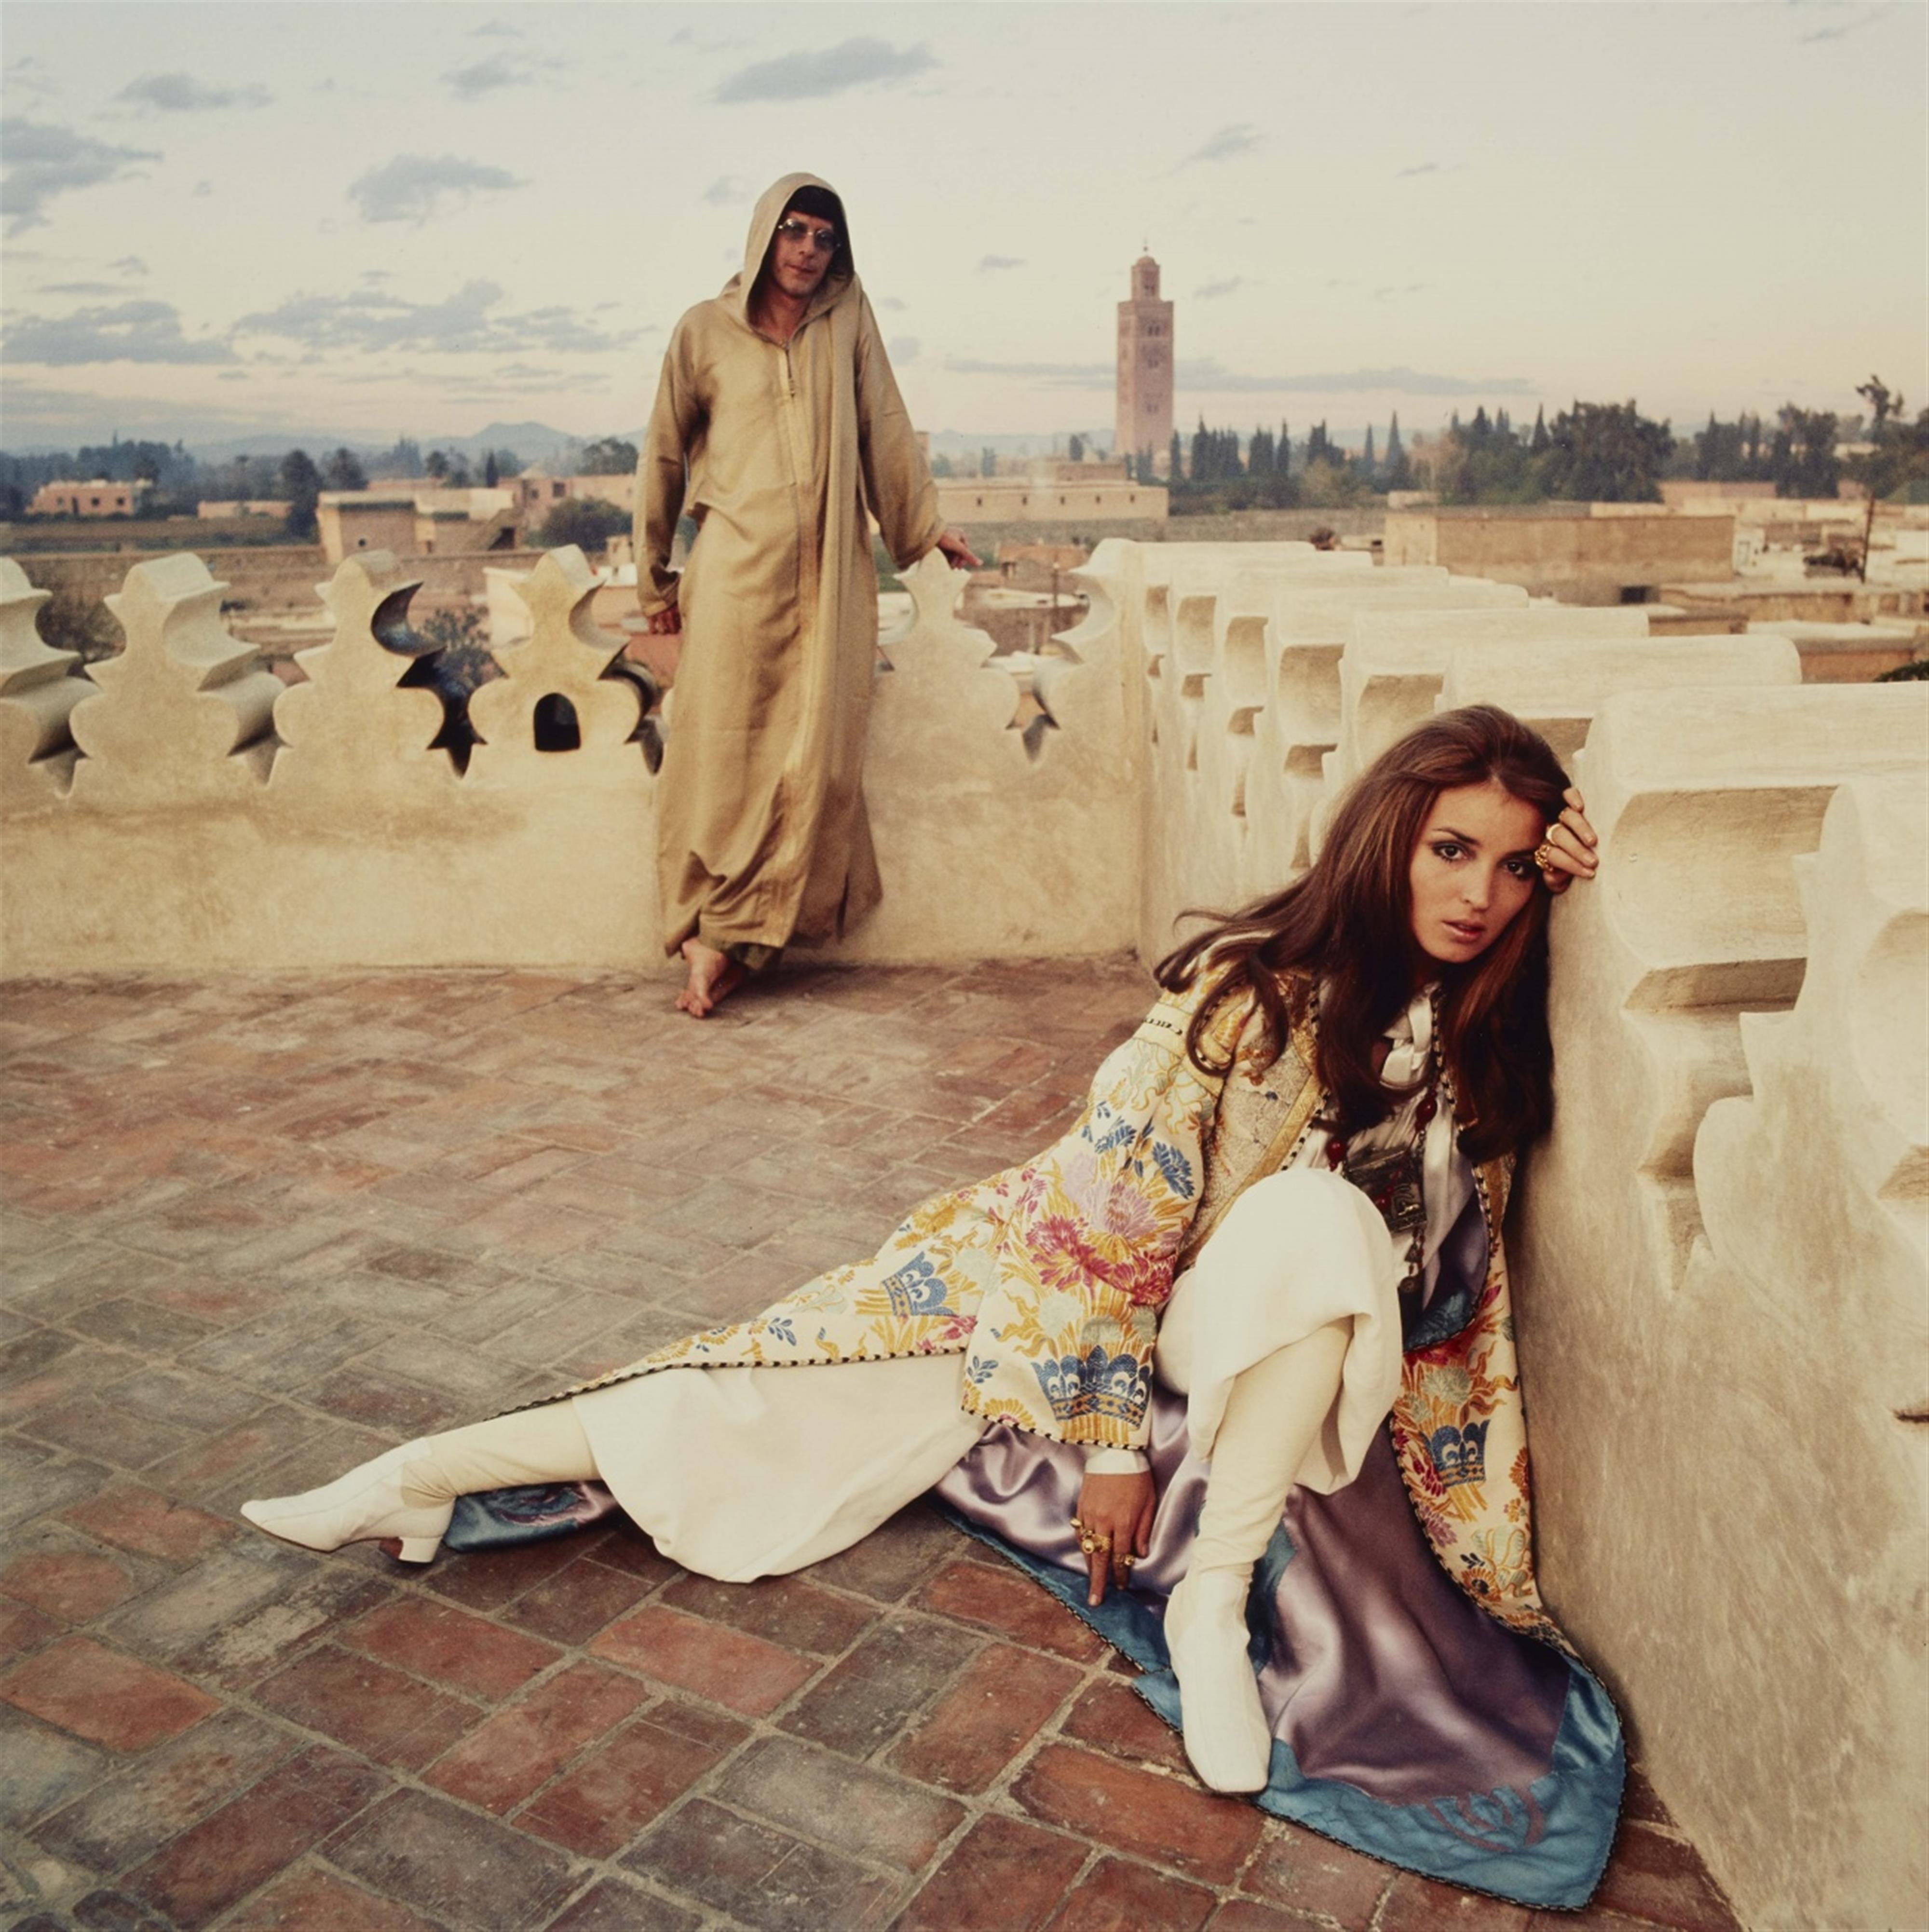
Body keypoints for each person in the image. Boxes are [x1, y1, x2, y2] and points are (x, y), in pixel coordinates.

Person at [242, 706, 1624, 1910]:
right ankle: (415, 1476)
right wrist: (1108, 1452)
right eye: (1453, 848)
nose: (1482, 892)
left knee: (1320, 1224)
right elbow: (1107, 1227)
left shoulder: (1484, 1030)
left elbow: (1437, 1268)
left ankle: (1214, 1613)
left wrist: (1568, 888)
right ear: (1389, 835)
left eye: (1512, 865)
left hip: (1275, 1340)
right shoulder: (1248, 991)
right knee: (777, 1398)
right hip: (1066, 1295)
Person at [636, 172, 979, 1019]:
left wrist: (924, 524)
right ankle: (705, 929)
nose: (807, 251)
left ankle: (737, 947)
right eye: (794, 231)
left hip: (831, 577)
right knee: (723, 750)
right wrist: (654, 580)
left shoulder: (846, 316)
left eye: (824, 237)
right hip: (734, 578)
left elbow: (884, 424)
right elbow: (664, 457)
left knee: (814, 758)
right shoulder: (703, 332)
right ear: (763, 236)